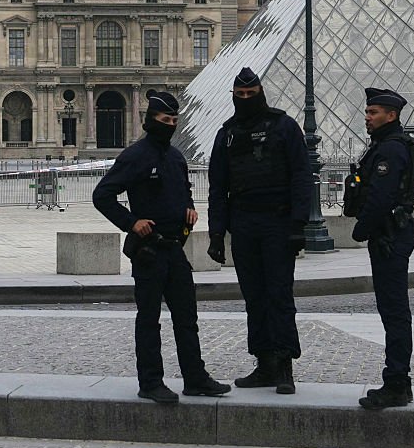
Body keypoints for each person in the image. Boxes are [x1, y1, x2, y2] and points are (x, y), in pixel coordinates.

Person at [93, 92, 231, 404]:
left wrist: (189, 208)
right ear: (150, 120)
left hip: (174, 249)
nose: (169, 125)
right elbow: (102, 195)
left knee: (187, 317)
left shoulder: (176, 157)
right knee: (149, 319)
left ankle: (195, 378)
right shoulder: (135, 155)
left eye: (173, 121)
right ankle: (151, 382)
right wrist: (131, 222)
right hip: (149, 251)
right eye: (164, 120)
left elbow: (183, 191)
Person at [207, 67, 312, 395]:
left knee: (279, 294)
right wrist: (216, 235)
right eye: (241, 96)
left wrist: (298, 226)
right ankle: (264, 362)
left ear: (261, 93)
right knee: (254, 296)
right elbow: (217, 187)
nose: (246, 100)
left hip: (278, 223)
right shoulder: (227, 134)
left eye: (251, 95)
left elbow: (301, 177)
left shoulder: (285, 127)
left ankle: (284, 365)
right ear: (234, 97)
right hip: (244, 223)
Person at [347, 88, 414, 410]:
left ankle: (396, 382)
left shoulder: (390, 150)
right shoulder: (388, 145)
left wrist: (360, 230)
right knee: (392, 309)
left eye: (373, 112)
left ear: (391, 116)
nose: (367, 117)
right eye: (367, 112)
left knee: (393, 310)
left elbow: (380, 197)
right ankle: (398, 380)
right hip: (391, 233)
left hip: (389, 235)